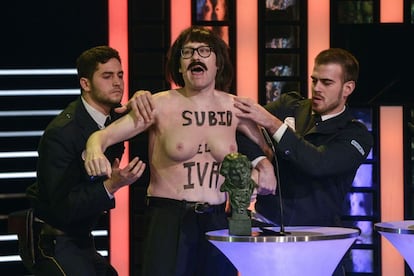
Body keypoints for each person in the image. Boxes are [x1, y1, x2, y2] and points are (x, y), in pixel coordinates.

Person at [83, 26, 276, 276]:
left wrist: (264, 165)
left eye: (204, 51)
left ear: (218, 63)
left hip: (217, 219)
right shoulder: (158, 105)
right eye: (187, 52)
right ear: (180, 66)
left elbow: (269, 151)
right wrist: (94, 148)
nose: (196, 57)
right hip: (169, 218)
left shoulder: (236, 107)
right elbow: (103, 136)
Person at [234, 48, 373, 275]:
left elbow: (318, 163)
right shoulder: (290, 106)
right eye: (314, 80)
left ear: (347, 88)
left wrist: (273, 124)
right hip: (267, 231)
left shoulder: (356, 135)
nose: (317, 88)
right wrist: (262, 163)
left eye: (326, 83)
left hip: (318, 240)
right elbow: (242, 130)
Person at [25, 45, 146, 276]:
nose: (117, 82)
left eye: (120, 75)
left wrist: (143, 97)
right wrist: (112, 185)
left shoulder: (113, 123)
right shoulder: (61, 133)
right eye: (107, 76)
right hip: (54, 241)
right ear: (85, 84)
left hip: (82, 240)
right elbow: (61, 208)